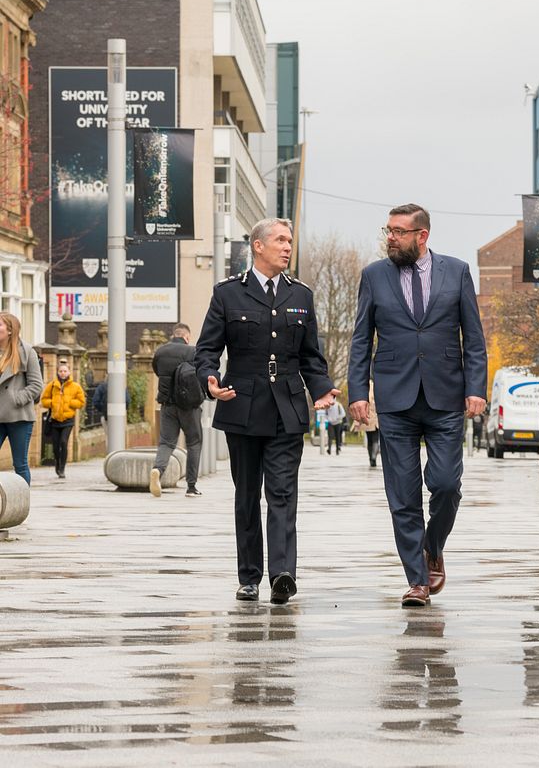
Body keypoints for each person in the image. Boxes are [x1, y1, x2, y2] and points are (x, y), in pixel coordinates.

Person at [348, 203, 487, 607]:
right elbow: (361, 340)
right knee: (403, 493)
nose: (389, 238)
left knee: (445, 485)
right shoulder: (374, 276)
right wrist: (359, 392)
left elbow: (473, 337)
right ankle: (417, 580)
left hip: (446, 397)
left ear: (421, 236)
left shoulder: (456, 271)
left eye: (398, 232)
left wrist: (475, 387)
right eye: (388, 230)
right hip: (395, 399)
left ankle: (433, 546)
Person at [195, 218, 338, 605]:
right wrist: (209, 378)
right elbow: (206, 350)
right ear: (258, 246)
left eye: (290, 240)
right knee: (247, 496)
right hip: (241, 405)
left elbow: (311, 356)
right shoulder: (228, 295)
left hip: (287, 408)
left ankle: (283, 574)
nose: (287, 247)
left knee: (282, 492)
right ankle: (249, 577)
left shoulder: (301, 296)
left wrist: (322, 390)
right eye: (280, 240)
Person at [151, 323, 203, 498]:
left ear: (174, 335)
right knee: (194, 443)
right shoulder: (192, 352)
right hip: (189, 406)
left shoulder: (160, 351)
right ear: (186, 337)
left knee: (166, 442)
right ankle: (191, 486)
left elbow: (157, 371)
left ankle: (158, 470)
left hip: (167, 405)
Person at [0, 312, 42, 484]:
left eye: (0, 324)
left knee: (20, 464)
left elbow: (36, 385)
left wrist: (16, 399)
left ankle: (22, 503)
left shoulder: (26, 352)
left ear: (10, 330)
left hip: (19, 417)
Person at [40, 361, 85, 479]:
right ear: (57, 372)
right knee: (55, 445)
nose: (63, 373)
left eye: (65, 371)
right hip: (55, 420)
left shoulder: (75, 386)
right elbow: (44, 400)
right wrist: (53, 403)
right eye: (61, 371)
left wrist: (70, 402)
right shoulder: (52, 385)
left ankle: (62, 468)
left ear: (69, 372)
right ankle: (57, 463)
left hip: (68, 419)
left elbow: (81, 402)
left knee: (64, 442)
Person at [352, 386, 380, 468]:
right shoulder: (376, 387)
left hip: (366, 418)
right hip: (375, 418)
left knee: (370, 440)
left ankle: (371, 458)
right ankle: (374, 457)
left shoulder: (364, 388)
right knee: (375, 439)